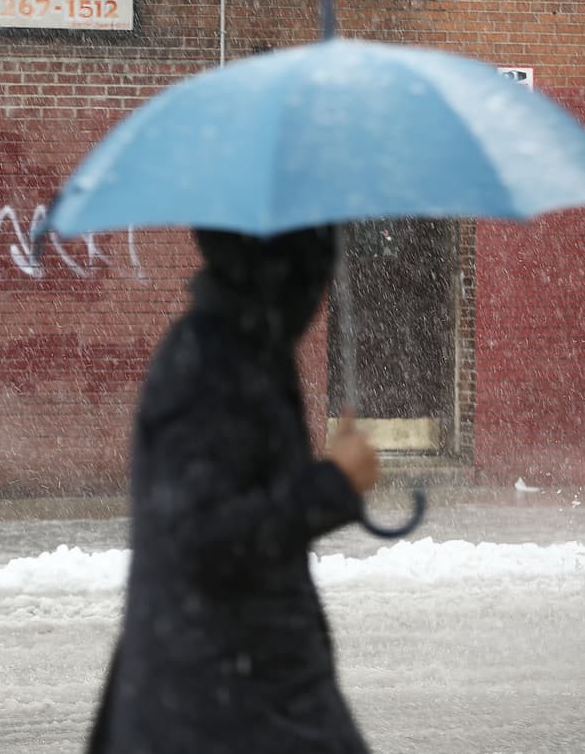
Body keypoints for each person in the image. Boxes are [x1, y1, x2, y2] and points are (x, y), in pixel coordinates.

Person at [86, 226, 381, 754]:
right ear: (281, 266)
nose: (320, 286)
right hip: (221, 701)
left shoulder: (248, 349)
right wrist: (330, 485)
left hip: (245, 685)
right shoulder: (210, 362)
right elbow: (201, 534)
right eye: (314, 263)